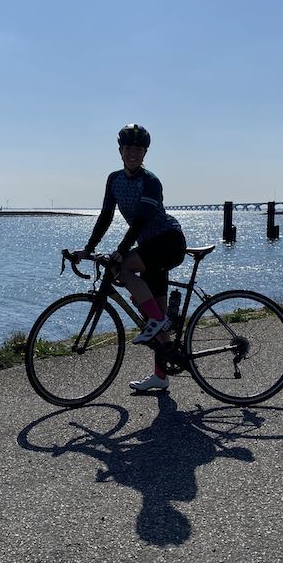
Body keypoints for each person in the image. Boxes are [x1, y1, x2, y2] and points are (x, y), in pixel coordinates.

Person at [72, 124, 186, 392]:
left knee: (120, 268)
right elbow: (106, 216)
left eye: (138, 148)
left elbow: (140, 222)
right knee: (154, 309)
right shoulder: (114, 180)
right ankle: (161, 374)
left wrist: (121, 251)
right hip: (149, 248)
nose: (132, 152)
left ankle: (158, 321)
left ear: (145, 152)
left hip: (168, 242)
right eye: (128, 148)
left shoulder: (150, 181)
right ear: (120, 150)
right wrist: (88, 248)